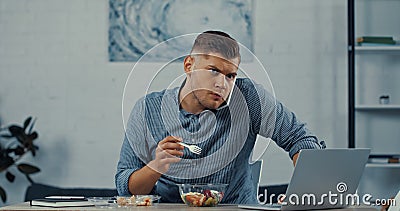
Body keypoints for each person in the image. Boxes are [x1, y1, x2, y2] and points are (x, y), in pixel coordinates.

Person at [115, 30, 324, 204]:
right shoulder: (147, 109)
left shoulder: (249, 99)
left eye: (230, 75)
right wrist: (156, 166)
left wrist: (307, 192)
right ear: (189, 66)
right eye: (213, 71)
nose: (222, 84)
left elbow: (300, 138)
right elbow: (126, 187)